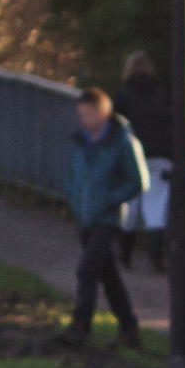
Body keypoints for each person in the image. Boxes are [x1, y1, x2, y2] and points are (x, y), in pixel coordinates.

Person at [60, 82, 147, 350]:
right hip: (85, 217)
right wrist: (73, 196)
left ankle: (80, 325)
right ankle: (129, 328)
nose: (84, 120)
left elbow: (139, 181)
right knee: (107, 275)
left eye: (89, 114)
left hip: (107, 219)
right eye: (82, 114)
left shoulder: (123, 142)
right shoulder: (80, 142)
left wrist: (110, 200)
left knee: (87, 270)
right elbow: (73, 175)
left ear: (102, 114)